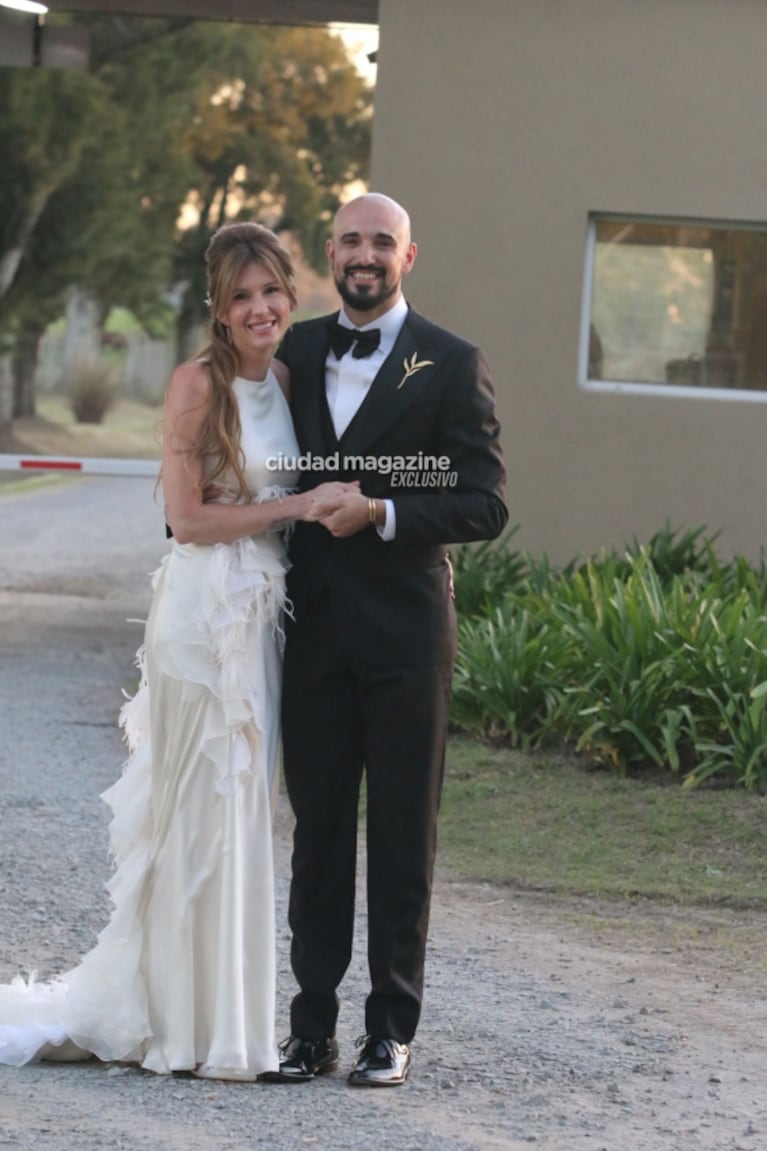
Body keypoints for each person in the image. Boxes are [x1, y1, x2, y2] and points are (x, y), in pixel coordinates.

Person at [0, 222, 350, 1081]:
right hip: (202, 616)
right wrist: (298, 508)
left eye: (271, 289)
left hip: (261, 619)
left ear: (289, 291)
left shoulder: (294, 378)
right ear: (219, 310)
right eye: (242, 297)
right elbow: (188, 520)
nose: (261, 308)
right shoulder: (199, 384)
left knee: (242, 813)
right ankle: (175, 1024)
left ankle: (226, 1023)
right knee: (198, 813)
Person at [269, 193, 508, 1087]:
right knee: (318, 834)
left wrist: (383, 509)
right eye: (350, 241)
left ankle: (389, 1029)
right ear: (329, 254)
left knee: (403, 834)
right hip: (313, 633)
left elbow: (483, 502)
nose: (364, 255)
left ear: (409, 257)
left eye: (382, 242)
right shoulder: (293, 350)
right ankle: (310, 1028)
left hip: (408, 635)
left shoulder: (448, 363)